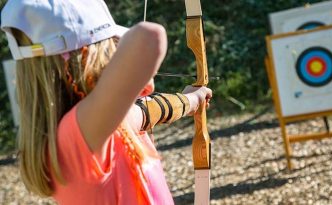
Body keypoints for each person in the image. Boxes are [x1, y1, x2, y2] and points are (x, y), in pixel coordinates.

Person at [0, 0, 212, 204]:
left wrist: (193, 99)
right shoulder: (77, 135)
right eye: (110, 44)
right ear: (85, 56)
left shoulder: (95, 129)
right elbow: (150, 37)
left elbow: (147, 110)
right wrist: (140, 75)